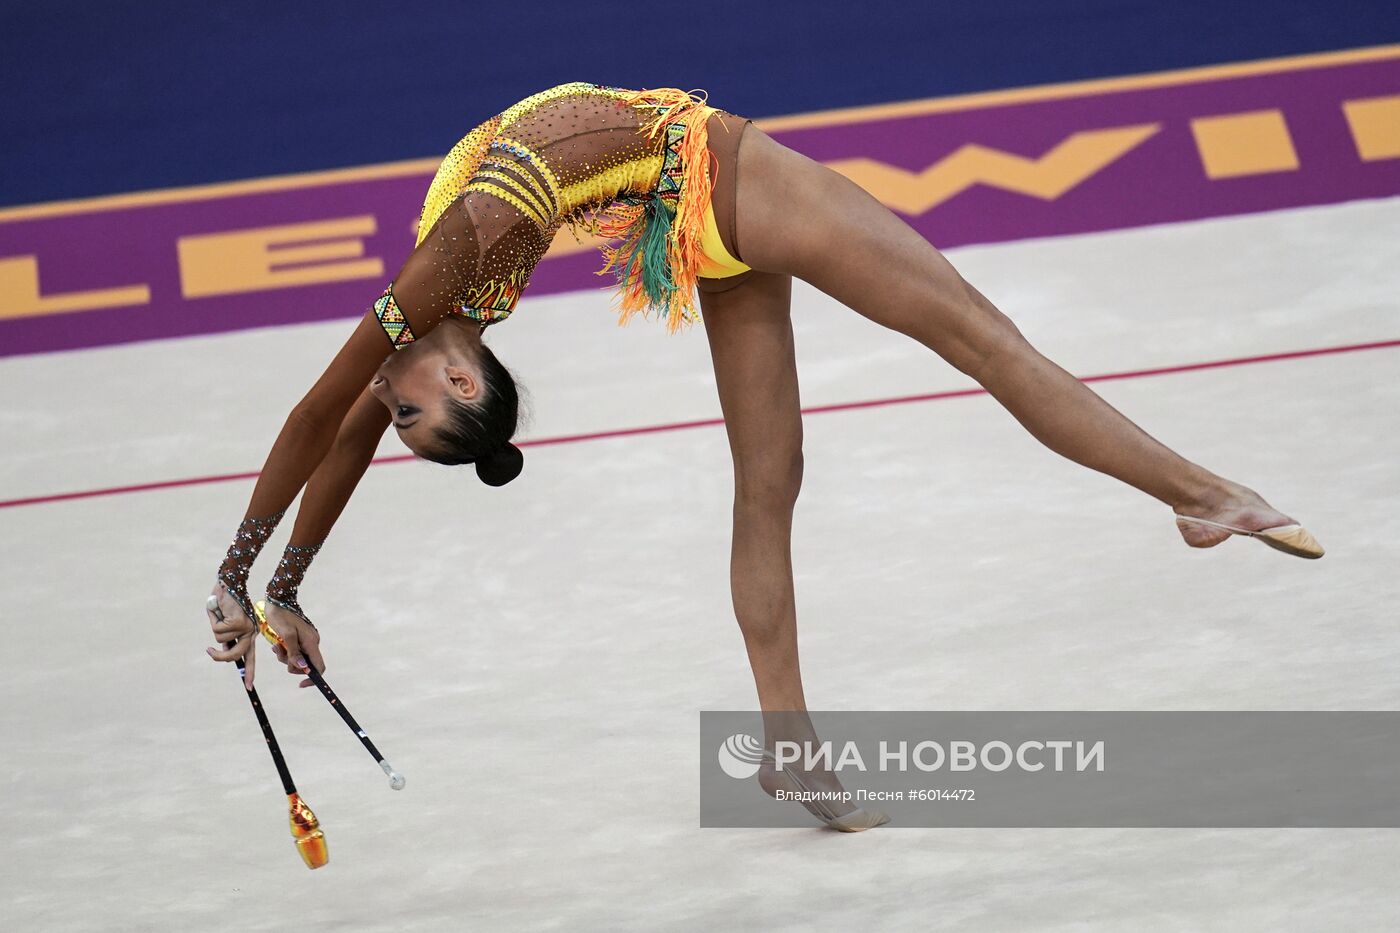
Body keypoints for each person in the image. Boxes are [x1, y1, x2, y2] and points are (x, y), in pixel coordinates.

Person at [204, 82, 1323, 832]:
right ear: (462, 381)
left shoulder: (452, 266)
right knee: (784, 474)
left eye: (402, 418)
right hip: (715, 194)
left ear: (455, 379)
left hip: (705, 195)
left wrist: (235, 578)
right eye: (408, 422)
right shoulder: (455, 309)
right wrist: (283, 590)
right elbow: (342, 428)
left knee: (966, 350)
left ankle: (1197, 496)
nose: (381, 411)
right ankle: (791, 748)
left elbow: (317, 416)